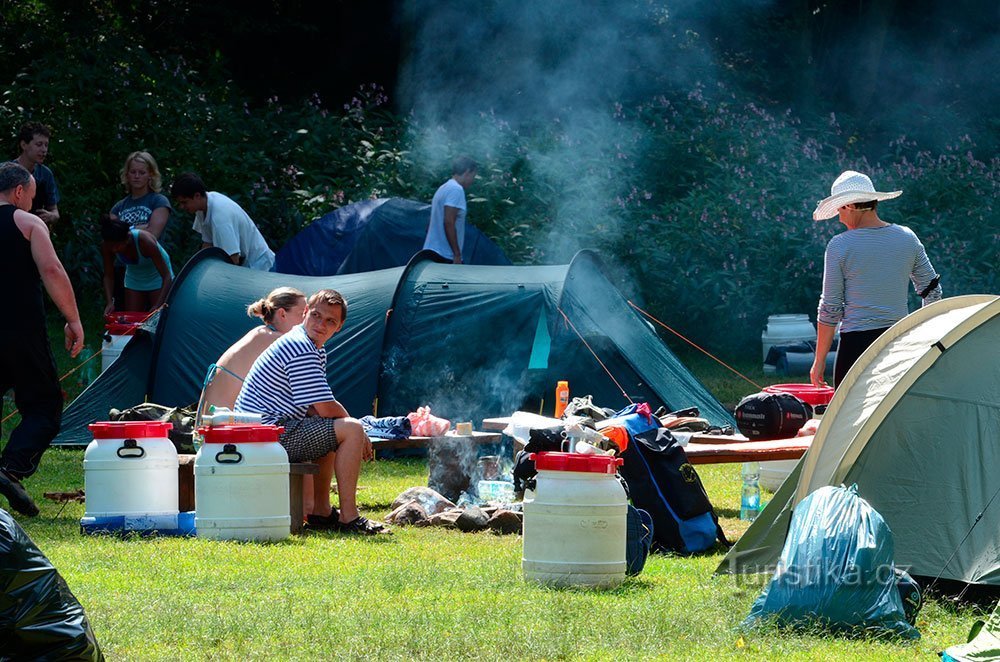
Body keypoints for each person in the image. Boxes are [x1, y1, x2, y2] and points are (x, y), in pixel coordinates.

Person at [235, 289, 388, 535]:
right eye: (316, 315)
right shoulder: (301, 347)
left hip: (261, 434)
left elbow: (317, 410)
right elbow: (325, 406)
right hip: (263, 436)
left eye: (330, 321)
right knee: (350, 429)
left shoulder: (309, 345)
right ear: (305, 313)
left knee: (332, 429)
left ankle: (320, 511)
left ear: (339, 327)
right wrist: (359, 432)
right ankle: (349, 517)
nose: (321, 324)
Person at [0, 163, 84, 516]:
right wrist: (74, 319)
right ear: (19, 191)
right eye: (32, 196)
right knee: (45, 406)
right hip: (21, 331)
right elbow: (52, 270)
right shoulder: (28, 223)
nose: (33, 204)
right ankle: (10, 469)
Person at [810, 170, 942, 389]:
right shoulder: (907, 237)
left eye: (839, 211)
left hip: (856, 348)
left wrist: (819, 360)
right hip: (899, 343)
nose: (840, 219)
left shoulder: (839, 246)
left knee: (852, 419)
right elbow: (933, 292)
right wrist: (924, 336)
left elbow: (830, 309)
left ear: (849, 206)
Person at [200, 287, 307, 418]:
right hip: (221, 428)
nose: (307, 321)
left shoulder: (261, 333)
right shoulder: (276, 340)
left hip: (209, 424)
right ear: (282, 314)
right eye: (303, 313)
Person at [170, 172, 275, 271]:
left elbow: (233, 258)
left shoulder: (219, 217)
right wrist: (199, 270)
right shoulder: (203, 206)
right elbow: (207, 244)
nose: (181, 207)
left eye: (184, 202)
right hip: (250, 267)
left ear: (197, 196)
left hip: (261, 268)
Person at [100, 216, 174, 314]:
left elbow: (166, 276)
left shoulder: (146, 242)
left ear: (126, 240)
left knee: (157, 318)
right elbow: (109, 276)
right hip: (134, 276)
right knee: (132, 318)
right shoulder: (107, 246)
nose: (114, 250)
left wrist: (158, 305)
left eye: (117, 246)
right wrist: (110, 302)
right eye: (111, 247)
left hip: (157, 276)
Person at [423, 155, 477, 264]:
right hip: (445, 255)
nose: (473, 180)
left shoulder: (443, 188)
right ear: (467, 172)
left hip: (431, 252)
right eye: (473, 176)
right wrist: (456, 254)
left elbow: (430, 223)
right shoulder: (456, 190)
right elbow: (448, 222)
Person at [110, 151, 171, 239]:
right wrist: (140, 228)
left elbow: (152, 235)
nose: (137, 176)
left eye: (142, 172)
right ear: (127, 174)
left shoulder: (159, 201)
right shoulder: (118, 207)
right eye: (133, 172)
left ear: (150, 175)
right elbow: (111, 237)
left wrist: (124, 231)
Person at [12, 122, 60, 226]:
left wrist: (50, 216)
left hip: (33, 230)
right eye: (39, 144)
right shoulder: (6, 171)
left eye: (46, 145)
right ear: (24, 145)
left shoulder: (46, 174)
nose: (44, 150)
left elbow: (55, 212)